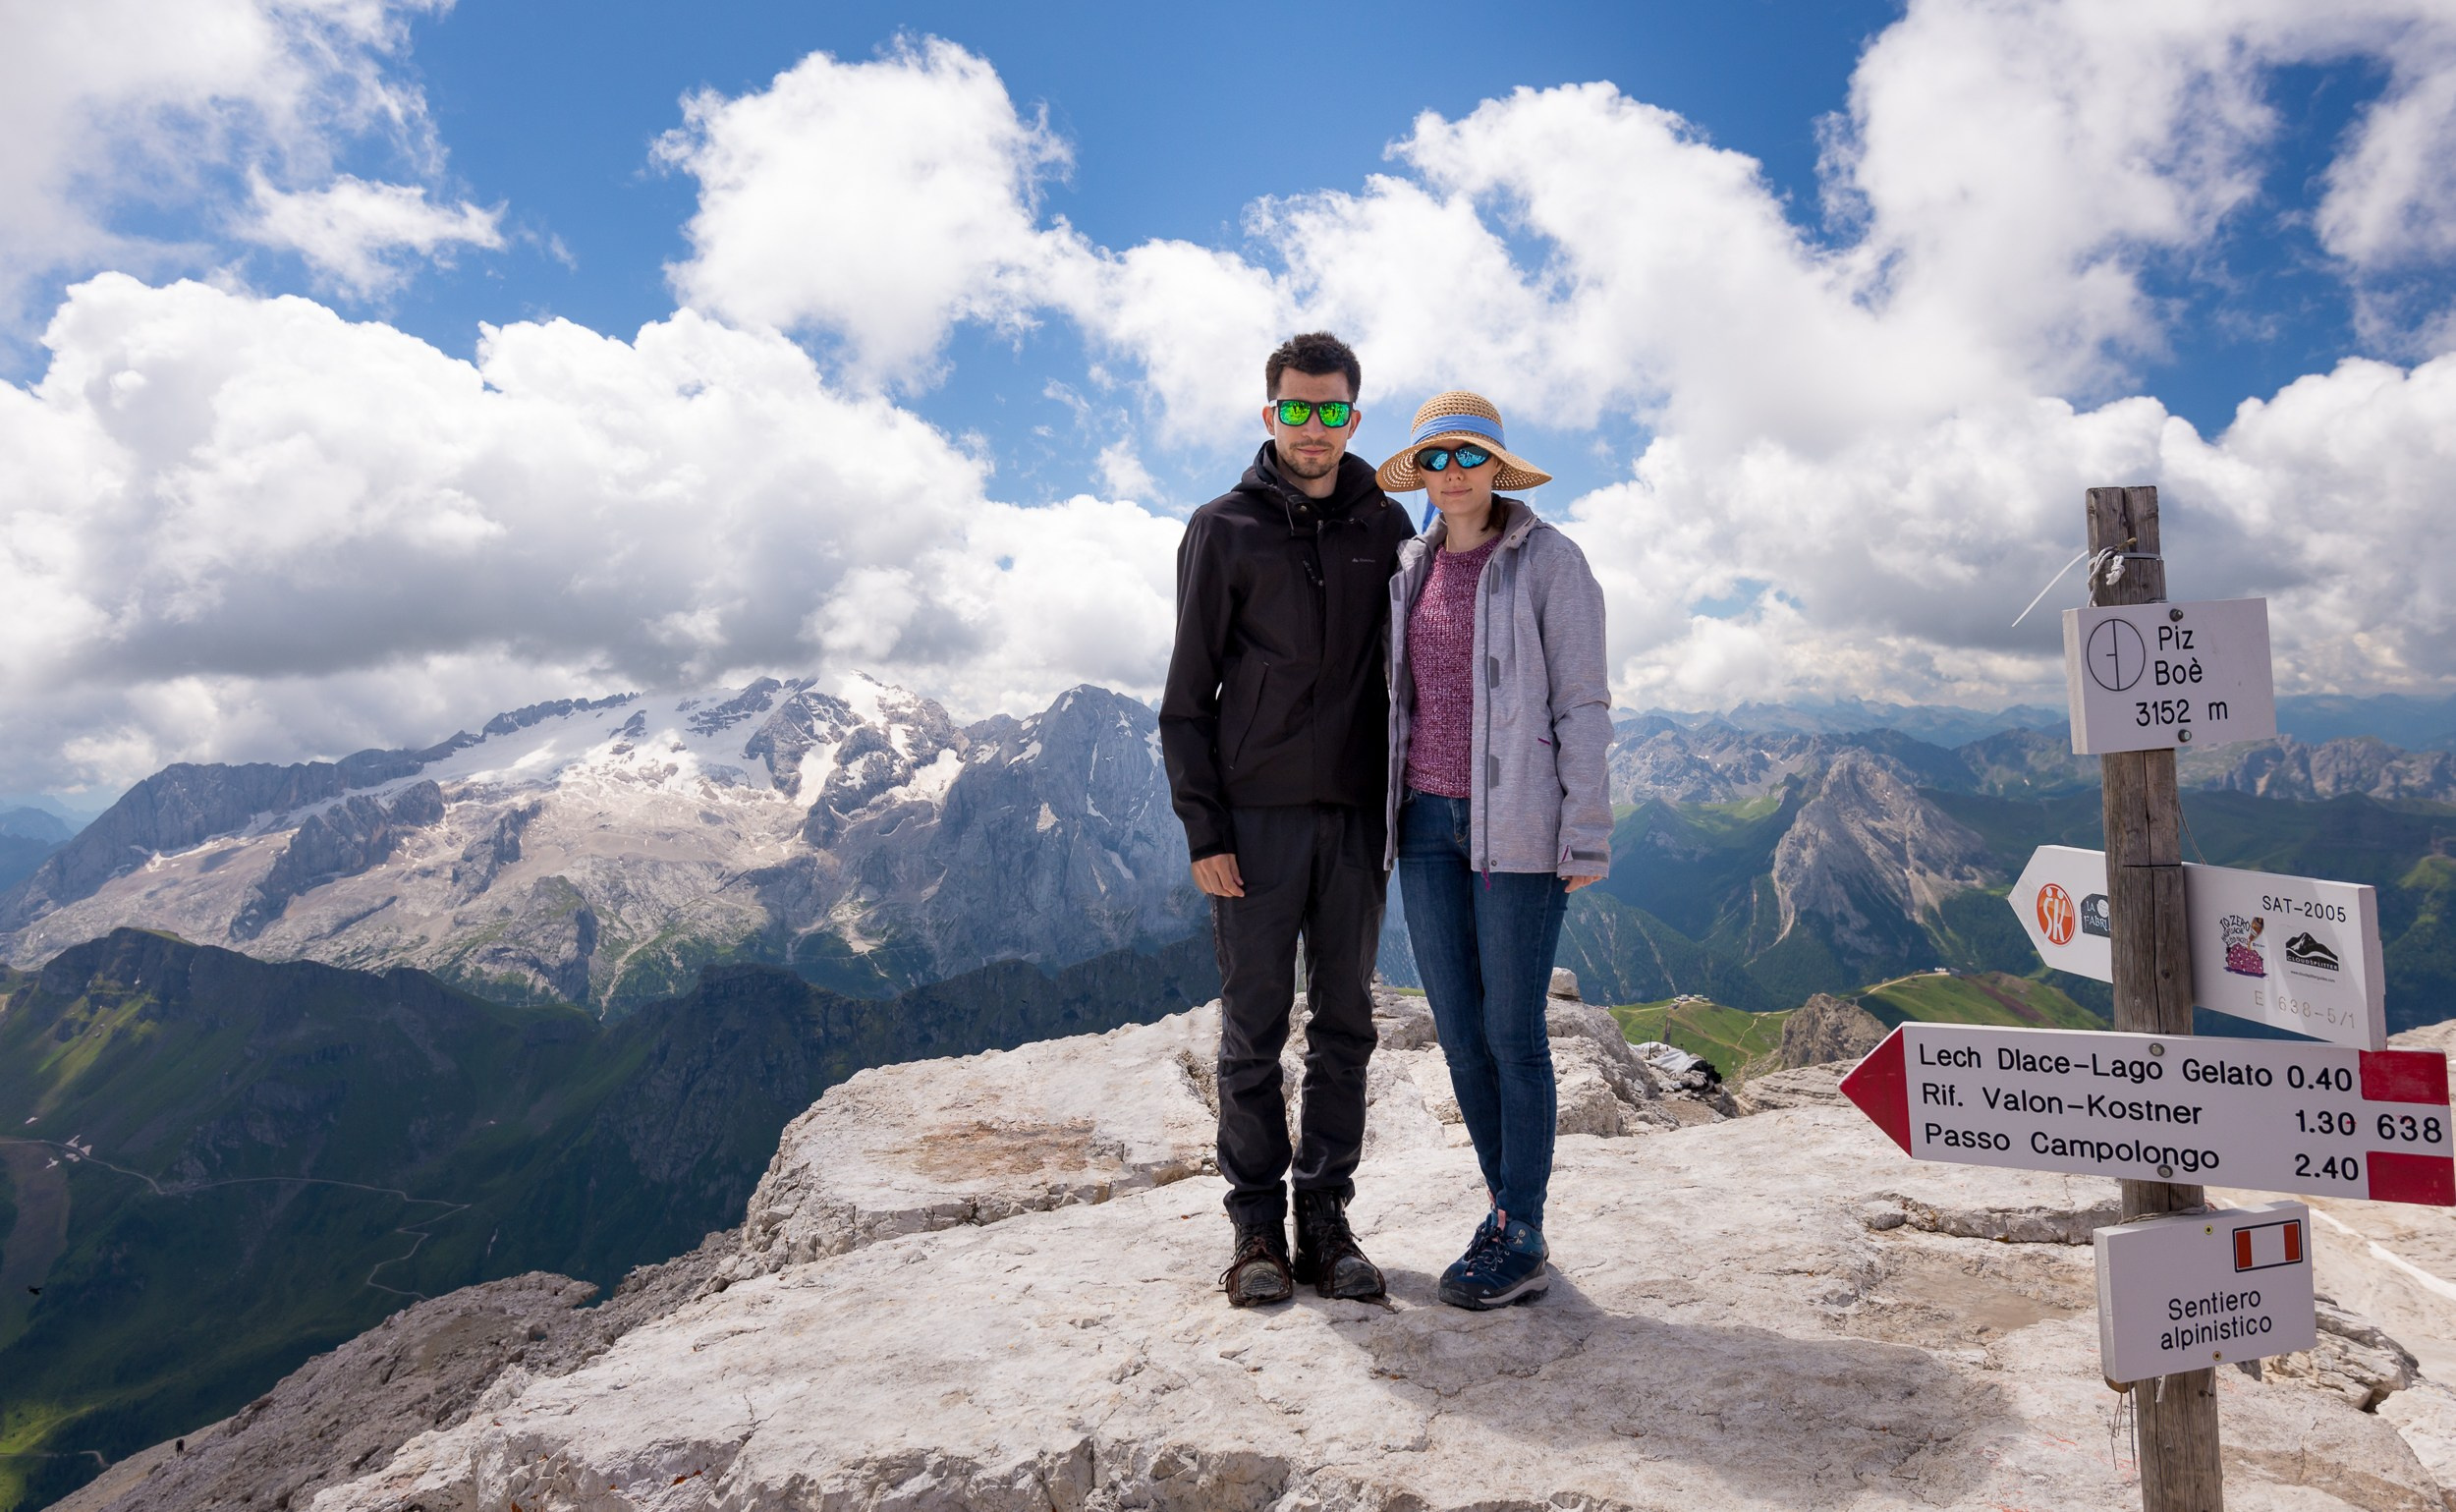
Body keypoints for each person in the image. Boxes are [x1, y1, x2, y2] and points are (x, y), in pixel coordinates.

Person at [1159, 332, 1416, 1307]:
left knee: (1346, 1024)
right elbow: (1185, 695)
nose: (1315, 428)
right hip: (1255, 822)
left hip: (1355, 817)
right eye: (1297, 410)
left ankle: (1327, 1220)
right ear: (1270, 415)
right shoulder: (1221, 528)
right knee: (1254, 1031)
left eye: (1333, 410)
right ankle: (1256, 1230)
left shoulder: (1386, 526)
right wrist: (1204, 829)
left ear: (1355, 416)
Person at [1378, 390, 1611, 1310]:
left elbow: (1582, 702)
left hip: (1515, 824)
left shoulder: (1552, 561)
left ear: (1499, 468)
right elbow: (1400, 703)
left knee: (1513, 1033)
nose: (1453, 475)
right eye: (1435, 461)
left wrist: (1585, 828)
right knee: (1461, 1033)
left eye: (1470, 457)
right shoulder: (1411, 566)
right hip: (1425, 825)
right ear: (1423, 477)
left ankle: (1524, 1229)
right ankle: (1503, 1208)